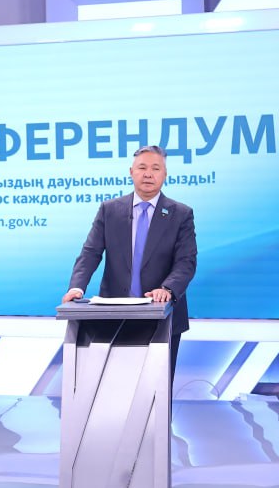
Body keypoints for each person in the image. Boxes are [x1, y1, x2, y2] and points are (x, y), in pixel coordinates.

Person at [63, 145, 198, 375]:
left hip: (161, 317)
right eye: (142, 168)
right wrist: (77, 287)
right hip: (114, 317)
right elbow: (90, 253)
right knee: (112, 385)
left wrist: (167, 288)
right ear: (131, 172)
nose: (148, 174)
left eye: (155, 168)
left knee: (157, 388)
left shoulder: (181, 214)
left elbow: (186, 261)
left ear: (165, 174)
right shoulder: (109, 210)